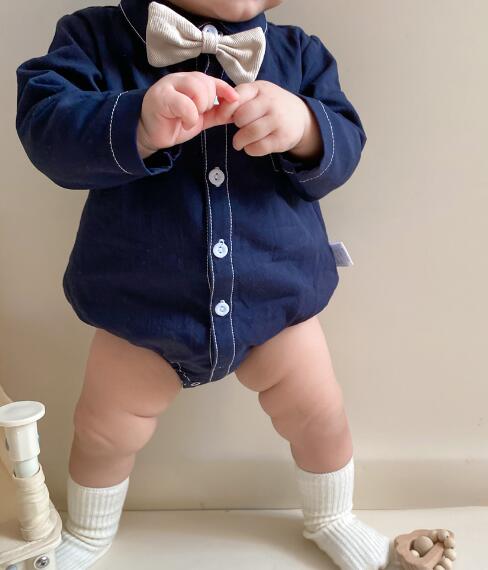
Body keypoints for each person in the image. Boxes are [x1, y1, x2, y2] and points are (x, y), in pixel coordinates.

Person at [15, 1, 401, 568]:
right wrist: (136, 123)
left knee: (319, 414)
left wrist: (304, 127)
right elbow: (44, 125)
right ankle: (89, 531)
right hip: (141, 308)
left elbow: (347, 142)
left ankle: (332, 517)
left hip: (276, 301)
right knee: (102, 431)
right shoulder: (94, 38)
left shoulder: (299, 53)